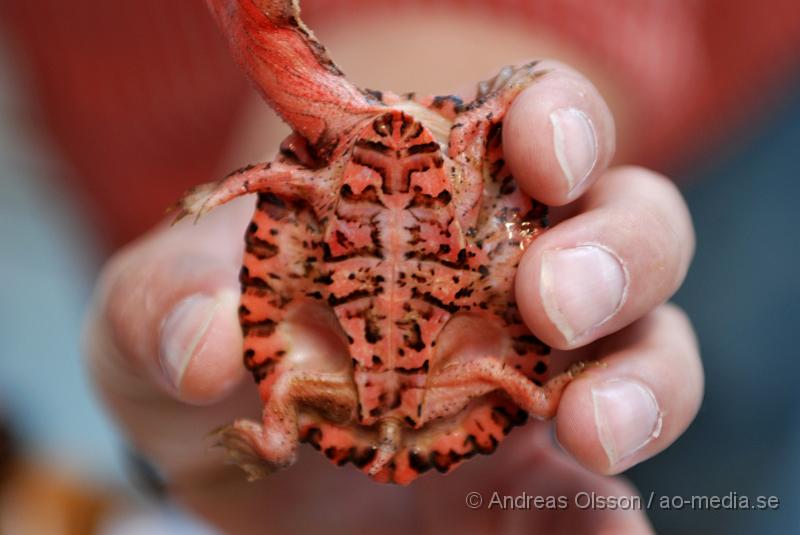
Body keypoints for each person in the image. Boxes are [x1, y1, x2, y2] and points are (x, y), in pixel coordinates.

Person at [3, 1, 798, 533]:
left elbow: (292, 178)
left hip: (720, 119)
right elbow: (278, 176)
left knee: (698, 412)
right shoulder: (341, 179)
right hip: (146, 124)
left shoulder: (351, 173)